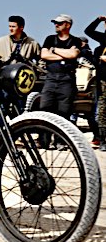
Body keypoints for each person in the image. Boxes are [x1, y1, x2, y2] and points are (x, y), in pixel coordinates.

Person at [39, 14, 81, 148]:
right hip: (51, 78)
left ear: (67, 25)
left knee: (64, 112)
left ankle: (61, 142)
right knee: (45, 110)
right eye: (55, 23)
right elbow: (44, 55)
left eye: (59, 23)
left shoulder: (75, 40)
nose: (56, 25)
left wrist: (55, 50)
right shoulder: (50, 39)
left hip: (66, 80)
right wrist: (65, 55)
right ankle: (44, 142)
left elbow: (73, 55)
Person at [84, 15, 106, 151]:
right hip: (102, 81)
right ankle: (103, 139)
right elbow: (89, 31)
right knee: (102, 111)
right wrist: (98, 20)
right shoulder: (104, 39)